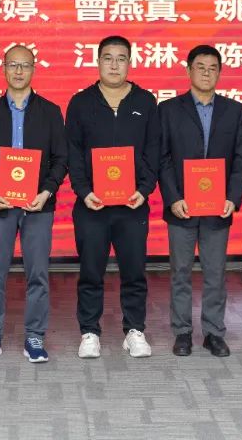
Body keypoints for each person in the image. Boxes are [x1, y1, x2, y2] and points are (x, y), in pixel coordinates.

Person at [67, 35, 160, 359]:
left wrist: (144, 190)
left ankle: (134, 330)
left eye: (121, 58)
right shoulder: (81, 103)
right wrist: (84, 191)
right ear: (98, 62)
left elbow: (153, 150)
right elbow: (73, 152)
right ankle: (89, 332)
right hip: (92, 205)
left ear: (130, 63)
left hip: (132, 205)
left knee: (134, 271)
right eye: (108, 58)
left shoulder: (145, 102)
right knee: (91, 272)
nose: (114, 65)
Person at [0, 45, 68, 363]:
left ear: (34, 69)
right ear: (3, 68)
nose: (18, 71)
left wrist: (47, 191)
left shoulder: (50, 112)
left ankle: (35, 336)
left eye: (24, 65)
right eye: (12, 65)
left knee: (37, 273)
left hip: (38, 205)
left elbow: (61, 158)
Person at [158, 45, 242, 358]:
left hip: (217, 207)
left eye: (212, 68)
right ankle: (182, 332)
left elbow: (240, 159)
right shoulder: (169, 110)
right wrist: (173, 198)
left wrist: (233, 198)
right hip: (181, 207)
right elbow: (162, 158)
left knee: (215, 273)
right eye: (200, 67)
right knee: (180, 272)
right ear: (188, 71)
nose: (206, 73)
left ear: (220, 73)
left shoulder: (234, 111)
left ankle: (213, 333)